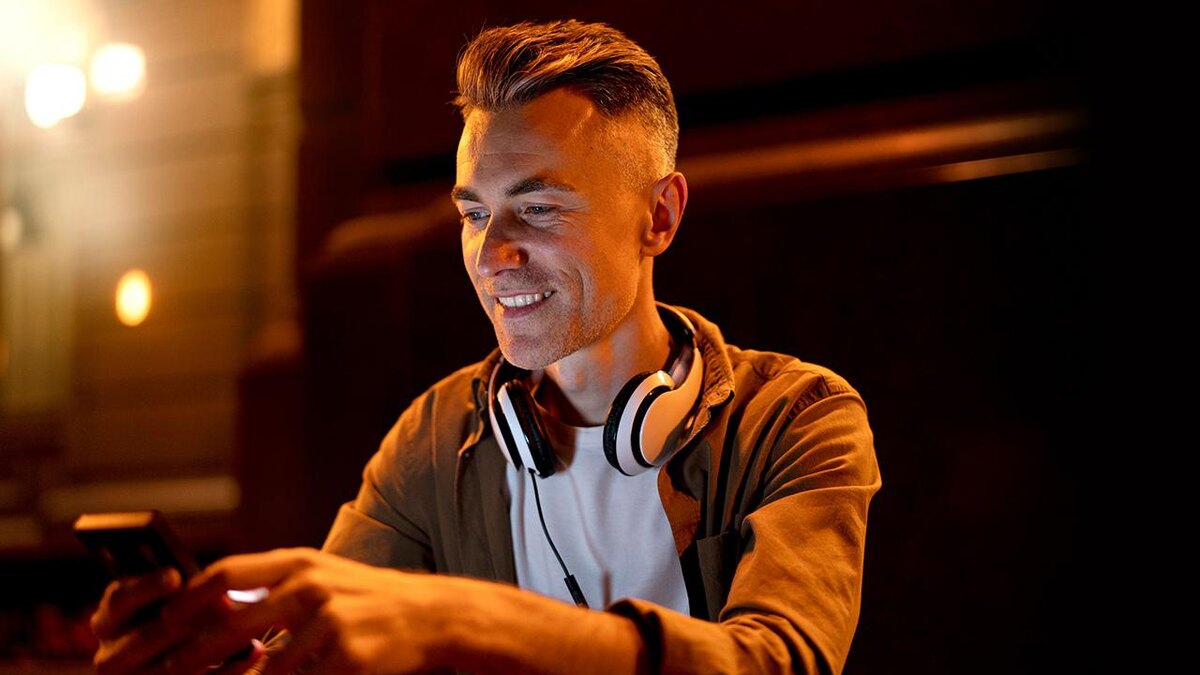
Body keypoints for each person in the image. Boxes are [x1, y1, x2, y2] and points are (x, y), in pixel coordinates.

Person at [90, 19, 881, 675]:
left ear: (660, 216)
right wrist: (203, 654)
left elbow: (778, 660)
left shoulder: (797, 418)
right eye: (475, 214)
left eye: (537, 208)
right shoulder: (435, 437)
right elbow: (307, 656)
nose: (491, 254)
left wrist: (460, 619)